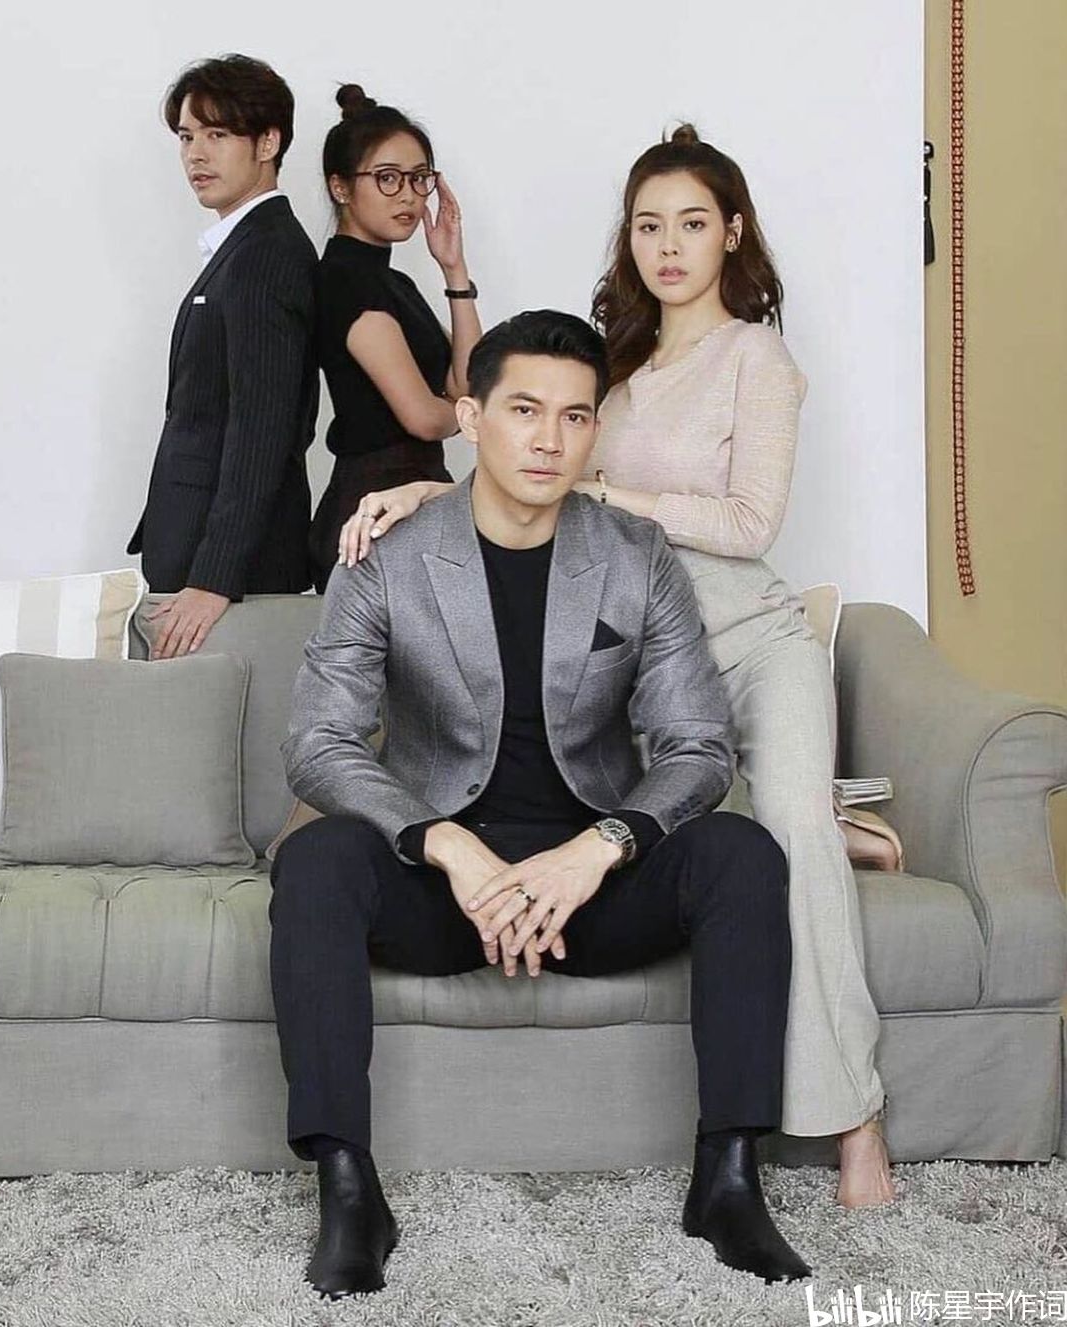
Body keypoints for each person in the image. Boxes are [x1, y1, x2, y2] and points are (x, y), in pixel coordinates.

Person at [337, 129, 894, 1209]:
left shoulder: (757, 359)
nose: (669, 246)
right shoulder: (614, 367)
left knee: (788, 837)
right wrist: (420, 494)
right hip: (638, 658)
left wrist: (605, 497)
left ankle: (856, 1114)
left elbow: (749, 521)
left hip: (749, 640)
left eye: (692, 223)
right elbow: (524, 468)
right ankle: (830, 818)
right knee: (663, 826)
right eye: (648, 225)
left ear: (732, 233)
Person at [271, 310, 811, 1299]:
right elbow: (318, 741)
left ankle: (728, 1181)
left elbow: (698, 744)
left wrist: (601, 846)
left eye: (574, 416)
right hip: (442, 884)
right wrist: (443, 843)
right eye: (524, 410)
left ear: (595, 429)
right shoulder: (389, 554)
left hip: (590, 884)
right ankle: (348, 1190)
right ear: (472, 417)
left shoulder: (635, 554)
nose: (550, 439)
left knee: (741, 853)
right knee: (315, 862)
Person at [128, 54, 319, 659]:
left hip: (227, 576)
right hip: (198, 559)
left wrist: (214, 577)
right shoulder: (242, 248)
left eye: (217, 134)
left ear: (268, 142)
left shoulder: (265, 254)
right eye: (187, 137)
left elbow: (262, 427)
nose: (196, 155)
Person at [307, 83, 481, 592]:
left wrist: (454, 268)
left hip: (414, 502)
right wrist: (471, 414)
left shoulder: (394, 283)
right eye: (387, 178)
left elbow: (471, 380)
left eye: (419, 178)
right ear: (341, 188)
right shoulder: (344, 280)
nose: (408, 195)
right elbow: (424, 417)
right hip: (375, 511)